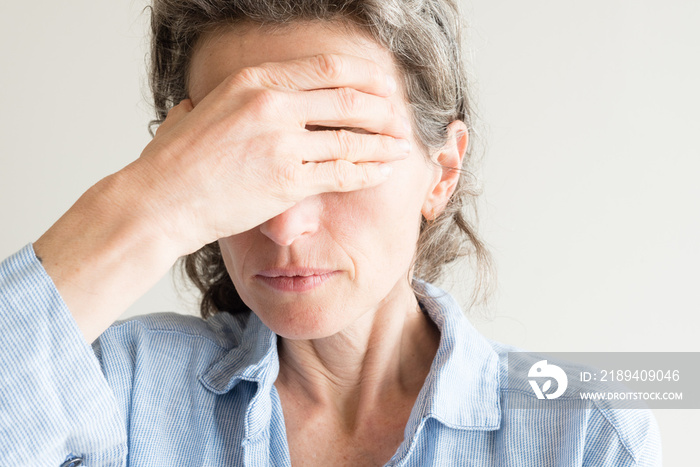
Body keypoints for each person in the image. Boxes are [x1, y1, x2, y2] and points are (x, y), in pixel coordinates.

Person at [0, 0, 661, 465]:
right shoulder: (120, 391)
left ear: (442, 170)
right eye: (243, 162)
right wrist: (150, 205)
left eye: (339, 152)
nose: (285, 225)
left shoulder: (584, 436)